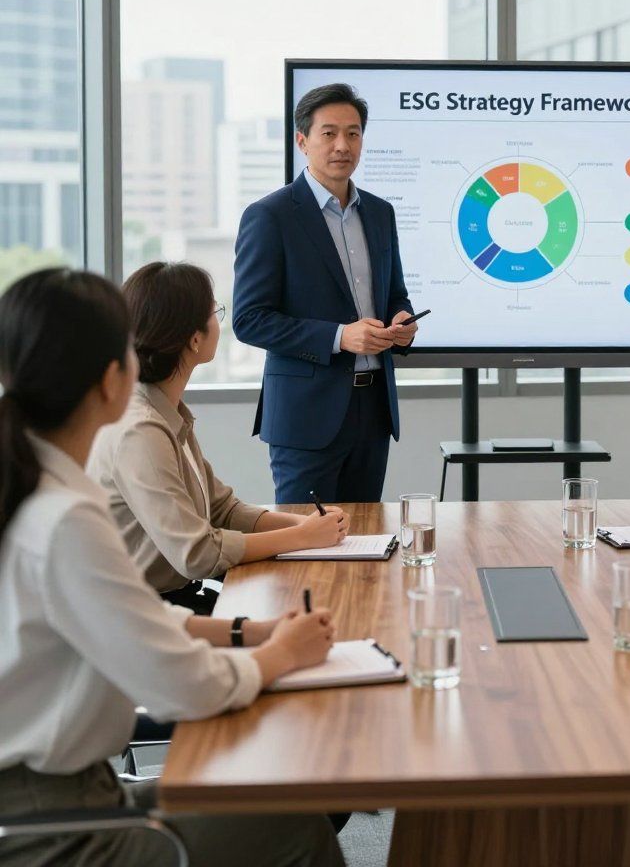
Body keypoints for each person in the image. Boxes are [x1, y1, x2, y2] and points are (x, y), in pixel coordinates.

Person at [0, 268, 343, 867]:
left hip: (64, 796)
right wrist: (278, 655)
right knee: (291, 824)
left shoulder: (39, 488)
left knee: (290, 797)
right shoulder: (62, 519)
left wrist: (248, 633)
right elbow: (181, 684)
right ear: (114, 378)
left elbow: (132, 613)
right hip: (53, 827)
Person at [88, 262, 349, 613]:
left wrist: (306, 524)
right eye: (214, 312)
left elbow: (223, 509)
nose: (218, 322)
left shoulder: (168, 411)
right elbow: (197, 554)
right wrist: (301, 537)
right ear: (194, 339)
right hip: (145, 616)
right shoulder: (141, 430)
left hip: (177, 604)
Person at [233, 82, 417, 504]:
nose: (342, 145)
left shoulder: (380, 213)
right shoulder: (269, 216)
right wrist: (340, 337)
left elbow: (395, 295)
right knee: (307, 554)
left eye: (353, 133)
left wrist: (401, 322)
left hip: (373, 410)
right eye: (329, 133)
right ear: (303, 141)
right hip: (306, 417)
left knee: (368, 542)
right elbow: (249, 319)